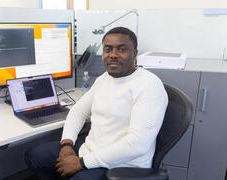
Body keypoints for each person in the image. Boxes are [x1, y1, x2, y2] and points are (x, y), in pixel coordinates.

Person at [25, 27, 168, 180]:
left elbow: (136, 145)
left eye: (121, 49)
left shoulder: (149, 85)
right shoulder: (104, 78)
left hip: (121, 165)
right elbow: (79, 111)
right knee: (34, 155)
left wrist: (81, 163)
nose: (113, 55)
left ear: (134, 54)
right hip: (90, 150)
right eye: (108, 49)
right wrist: (66, 145)